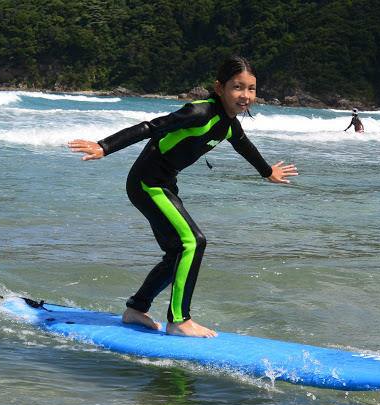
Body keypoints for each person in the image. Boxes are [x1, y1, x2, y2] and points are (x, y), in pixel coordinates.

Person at [67, 56, 298, 338]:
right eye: (238, 87)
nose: (245, 95)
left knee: (178, 251)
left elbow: (244, 147)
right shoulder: (199, 113)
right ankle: (179, 320)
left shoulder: (229, 124)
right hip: (147, 184)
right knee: (193, 242)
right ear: (220, 87)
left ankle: (136, 309)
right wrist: (104, 146)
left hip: (164, 184)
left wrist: (267, 172)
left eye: (251, 89)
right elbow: (151, 126)